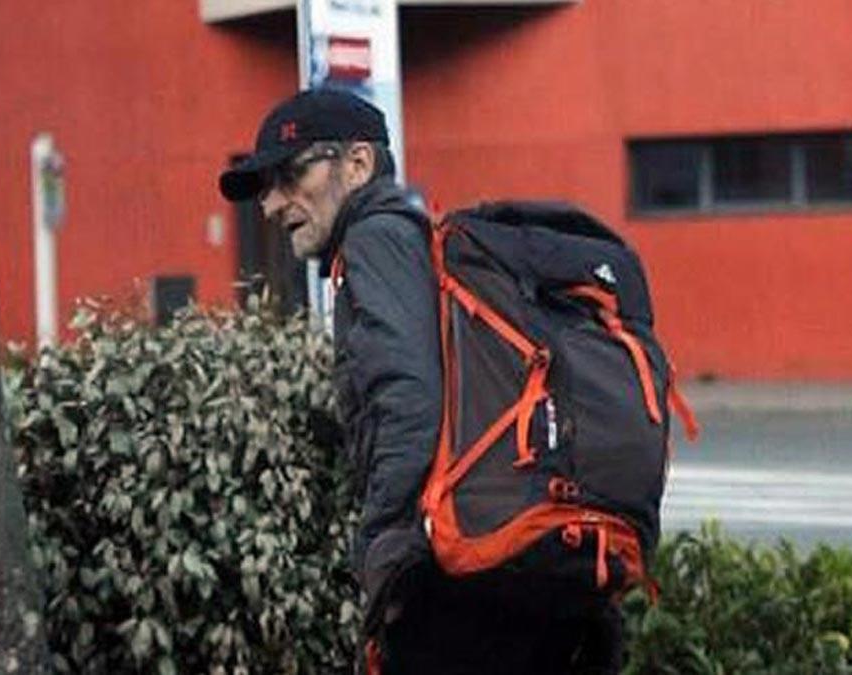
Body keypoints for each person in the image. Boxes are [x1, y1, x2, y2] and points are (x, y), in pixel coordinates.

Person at [218, 88, 619, 674]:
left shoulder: (374, 239)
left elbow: (409, 398)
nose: (271, 204)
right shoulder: (414, 240)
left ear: (357, 164)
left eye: (289, 174)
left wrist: (382, 549)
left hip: (461, 583)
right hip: (526, 567)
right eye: (264, 186)